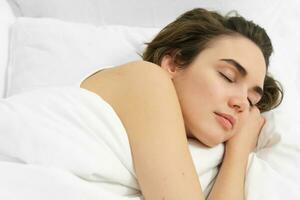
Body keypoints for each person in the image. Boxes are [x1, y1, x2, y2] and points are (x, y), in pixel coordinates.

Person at [80, 8, 283, 200]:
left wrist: (238, 150)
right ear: (173, 64)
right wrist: (238, 154)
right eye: (227, 76)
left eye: (251, 101)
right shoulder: (146, 79)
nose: (241, 103)